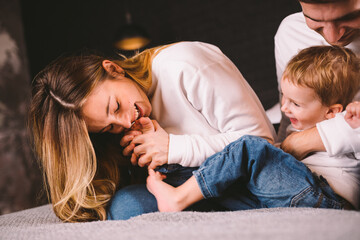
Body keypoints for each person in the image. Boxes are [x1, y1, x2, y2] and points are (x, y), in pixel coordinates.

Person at [28, 41, 276, 222]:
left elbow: (263, 143)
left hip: (253, 183)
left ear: (113, 69)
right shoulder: (130, 124)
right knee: (125, 205)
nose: (125, 122)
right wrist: (139, 162)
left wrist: (173, 148)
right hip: (198, 192)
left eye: (115, 106)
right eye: (110, 127)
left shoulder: (185, 65)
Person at [146, 46, 360, 213]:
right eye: (284, 96)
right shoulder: (300, 127)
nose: (285, 108)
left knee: (250, 147)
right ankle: (178, 186)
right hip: (289, 197)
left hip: (325, 198)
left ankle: (178, 198)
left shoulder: (346, 120)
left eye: (296, 104)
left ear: (332, 111)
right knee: (224, 176)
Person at [274, 0, 360, 150]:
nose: (332, 38)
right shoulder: (292, 33)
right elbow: (288, 121)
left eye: (348, 18)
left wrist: (301, 143)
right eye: (315, 20)